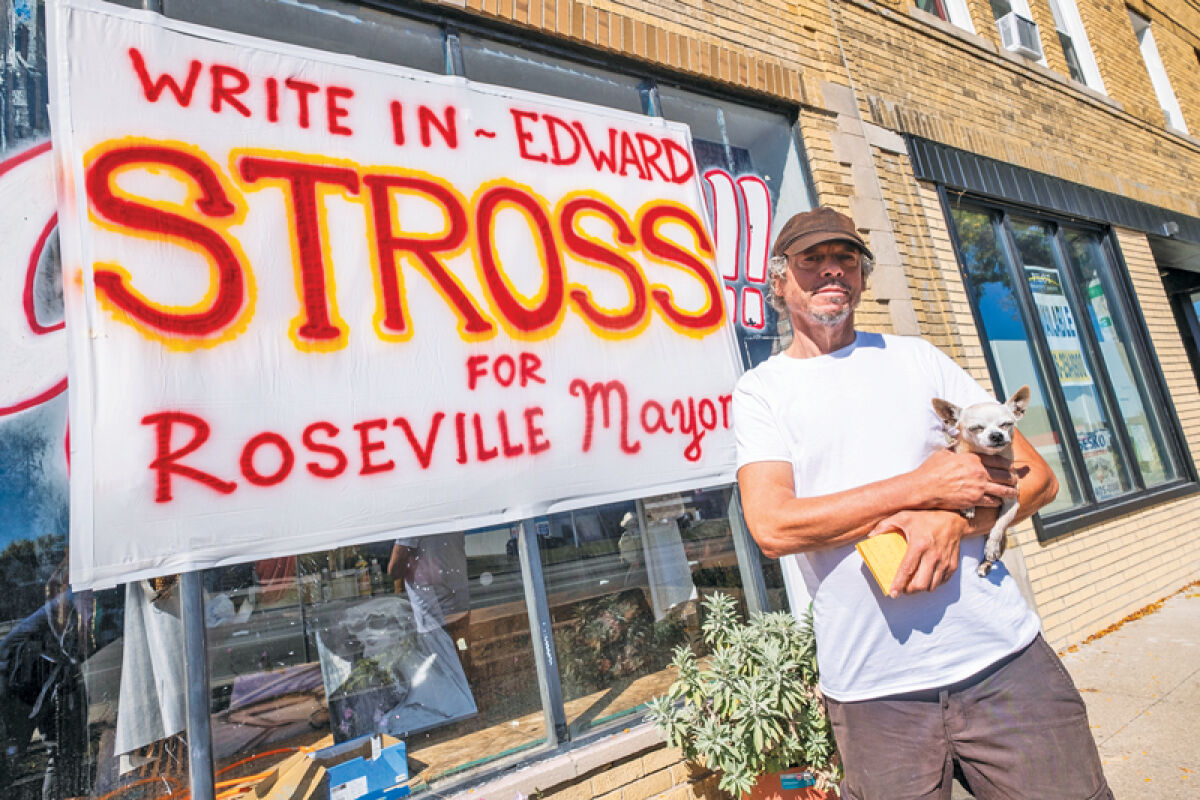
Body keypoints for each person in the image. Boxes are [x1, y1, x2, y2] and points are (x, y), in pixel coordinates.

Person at [733, 207, 1112, 799]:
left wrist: (950, 525)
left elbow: (1036, 478)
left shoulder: (917, 358)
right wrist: (924, 489)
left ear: (861, 276)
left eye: (847, 259)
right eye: (812, 260)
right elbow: (774, 526)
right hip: (874, 694)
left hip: (1004, 664)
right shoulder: (762, 391)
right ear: (780, 280)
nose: (832, 271)